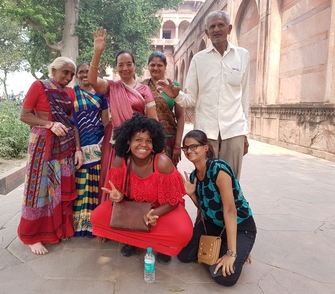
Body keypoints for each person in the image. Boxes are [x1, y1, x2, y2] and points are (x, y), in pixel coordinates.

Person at [90, 114, 193, 264]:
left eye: (148, 141)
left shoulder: (162, 163)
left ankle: (163, 246)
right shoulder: (121, 161)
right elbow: (118, 194)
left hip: (161, 209)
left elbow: (173, 202)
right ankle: (133, 241)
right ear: (128, 141)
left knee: (183, 231)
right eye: (138, 140)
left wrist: (153, 214)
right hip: (133, 208)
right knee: (97, 216)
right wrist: (117, 197)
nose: (143, 145)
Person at [159, 10, 250, 179]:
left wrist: (245, 132)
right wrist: (176, 95)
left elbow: (244, 96)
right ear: (207, 32)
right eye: (212, 26)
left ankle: (230, 207)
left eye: (221, 25)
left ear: (229, 29)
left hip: (234, 130)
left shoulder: (242, 56)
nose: (216, 29)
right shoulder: (199, 60)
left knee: (231, 183)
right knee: (207, 181)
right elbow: (190, 99)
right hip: (206, 133)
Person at [17, 57, 84, 255]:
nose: (69, 77)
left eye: (72, 74)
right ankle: (32, 236)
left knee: (60, 187)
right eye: (65, 72)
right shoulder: (39, 86)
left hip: (65, 145)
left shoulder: (70, 92)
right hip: (42, 144)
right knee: (38, 189)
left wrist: (78, 149)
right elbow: (24, 115)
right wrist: (50, 125)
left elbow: (73, 123)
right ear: (53, 70)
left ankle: (58, 228)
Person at [177, 130, 256, 287]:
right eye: (185, 148)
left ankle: (238, 248)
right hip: (213, 226)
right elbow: (206, 207)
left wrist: (232, 253)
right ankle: (233, 248)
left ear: (206, 147)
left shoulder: (218, 169)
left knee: (225, 278)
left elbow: (230, 210)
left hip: (240, 225)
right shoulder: (193, 177)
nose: (188, 151)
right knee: (184, 256)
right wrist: (192, 194)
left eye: (193, 146)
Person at [88, 27, 158, 203]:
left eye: (129, 64)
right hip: (115, 140)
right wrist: (97, 52)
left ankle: (133, 219)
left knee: (135, 179)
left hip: (138, 141)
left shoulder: (144, 89)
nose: (125, 68)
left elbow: (153, 120)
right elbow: (92, 80)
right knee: (114, 180)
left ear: (134, 65)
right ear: (116, 67)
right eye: (121, 64)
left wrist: (155, 147)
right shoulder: (111, 86)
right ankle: (111, 217)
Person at [72, 62, 109, 238]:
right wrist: (77, 147)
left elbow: (106, 121)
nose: (85, 75)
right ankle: (80, 225)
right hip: (80, 144)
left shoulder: (101, 95)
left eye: (88, 72)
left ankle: (96, 225)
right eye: (81, 72)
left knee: (96, 184)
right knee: (81, 183)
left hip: (98, 143)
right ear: (76, 75)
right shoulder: (73, 93)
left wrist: (106, 143)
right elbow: (73, 123)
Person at [142, 51, 185, 167]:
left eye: (159, 65)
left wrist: (177, 145)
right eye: (152, 65)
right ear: (148, 66)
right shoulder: (142, 87)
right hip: (147, 139)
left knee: (168, 174)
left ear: (165, 67)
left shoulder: (174, 86)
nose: (155, 68)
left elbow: (180, 117)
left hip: (169, 139)